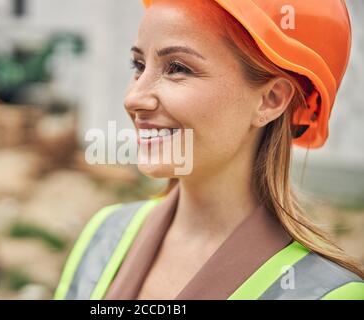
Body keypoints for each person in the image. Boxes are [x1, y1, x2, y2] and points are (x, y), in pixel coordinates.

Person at [55, 0, 364, 300]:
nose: (133, 98)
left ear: (270, 100)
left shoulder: (328, 293)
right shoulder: (104, 233)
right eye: (138, 65)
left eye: (177, 68)